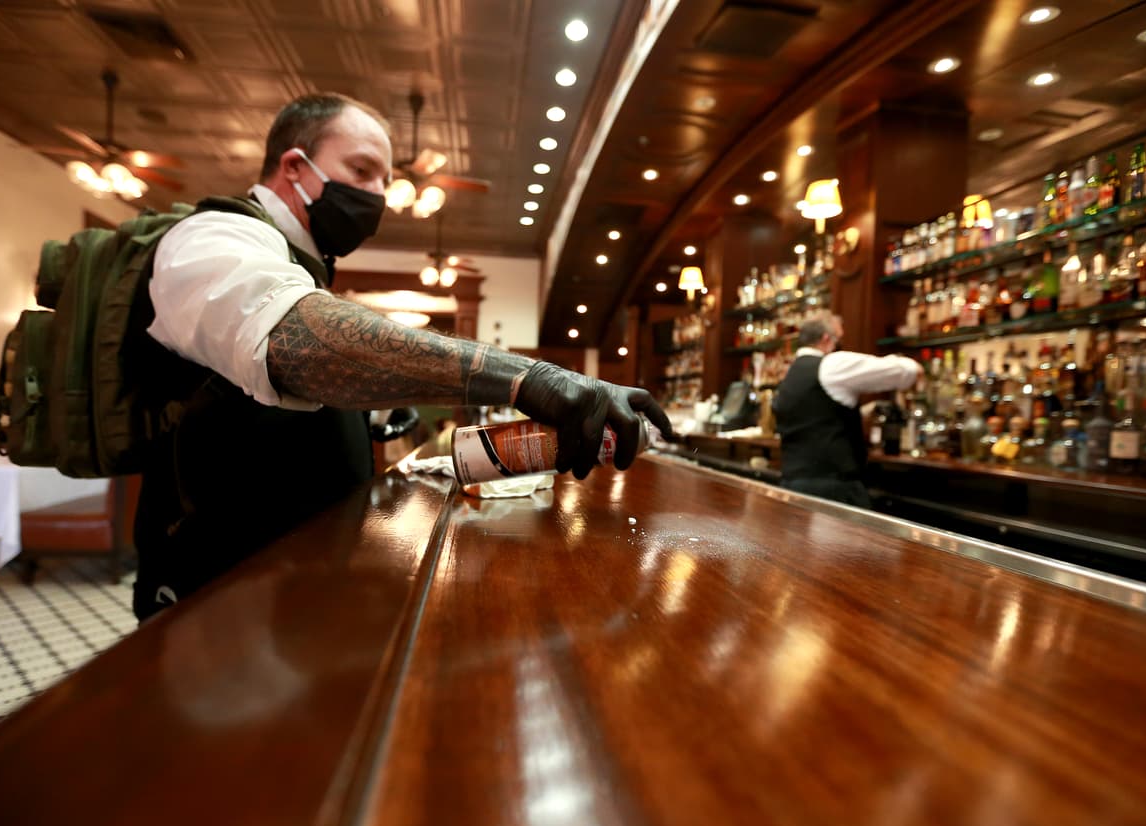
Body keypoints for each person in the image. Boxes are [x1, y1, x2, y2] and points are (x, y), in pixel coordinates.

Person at [132, 92, 672, 620]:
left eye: (385, 181)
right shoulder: (213, 236)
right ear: (295, 165)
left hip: (296, 573)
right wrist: (527, 377)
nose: (378, 194)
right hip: (219, 582)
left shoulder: (307, 260)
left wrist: (378, 409)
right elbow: (296, 338)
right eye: (363, 170)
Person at [771, 315, 919, 508]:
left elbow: (817, 415)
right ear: (826, 339)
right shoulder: (830, 365)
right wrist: (913, 366)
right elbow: (905, 371)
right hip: (833, 490)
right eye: (840, 339)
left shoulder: (793, 372)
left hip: (794, 484)